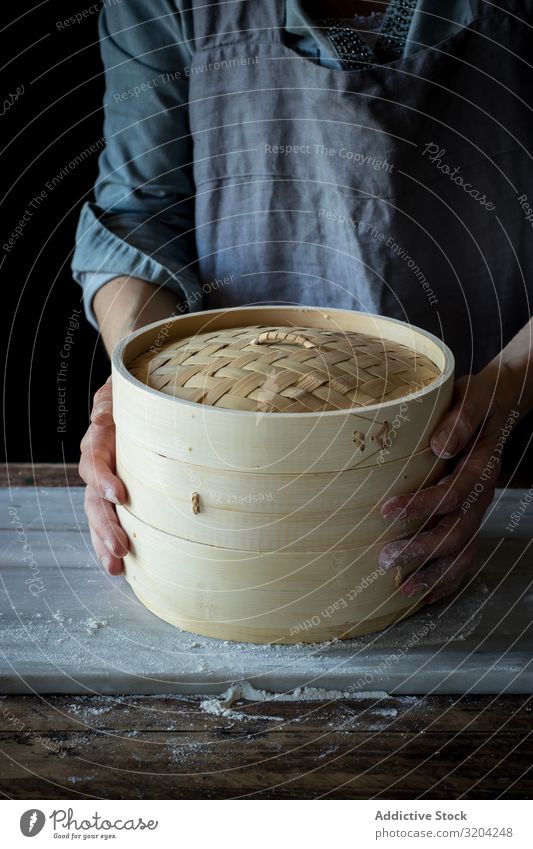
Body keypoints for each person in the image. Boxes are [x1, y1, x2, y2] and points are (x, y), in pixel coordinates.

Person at [75, 0, 533, 604]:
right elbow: (138, 217)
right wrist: (141, 392)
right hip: (222, 451)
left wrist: (504, 392)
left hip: (511, 459)